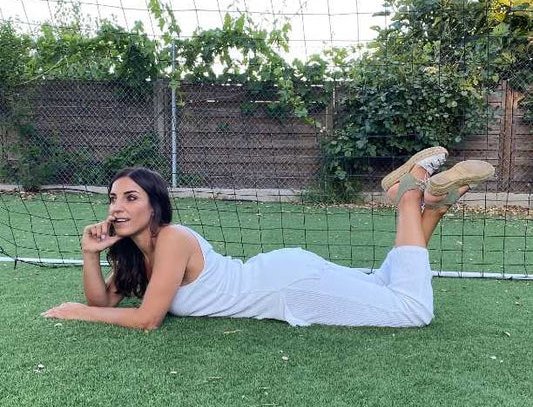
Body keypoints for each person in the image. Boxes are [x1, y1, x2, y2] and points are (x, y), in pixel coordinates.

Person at [42, 149, 494, 330]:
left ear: (154, 207)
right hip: (283, 276)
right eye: (113, 198)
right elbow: (106, 302)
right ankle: (431, 206)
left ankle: (409, 193)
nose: (117, 207)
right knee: (383, 283)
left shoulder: (173, 239)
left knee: (414, 311)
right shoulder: (137, 255)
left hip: (289, 289)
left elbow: (147, 320)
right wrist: (89, 255)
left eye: (130, 197)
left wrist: (79, 313)